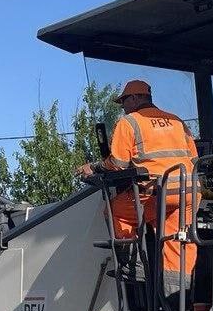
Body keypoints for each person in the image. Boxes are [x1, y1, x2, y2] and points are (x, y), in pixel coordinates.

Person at [77, 79, 199, 292]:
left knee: (116, 211)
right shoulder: (177, 121)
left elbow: (117, 163)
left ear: (134, 98)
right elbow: (194, 159)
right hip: (188, 191)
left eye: (124, 101)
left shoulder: (130, 122)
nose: (123, 107)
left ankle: (133, 267)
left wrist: (93, 168)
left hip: (156, 191)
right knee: (179, 240)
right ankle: (178, 295)